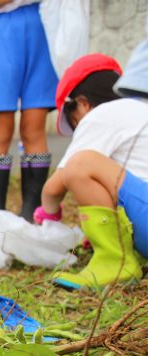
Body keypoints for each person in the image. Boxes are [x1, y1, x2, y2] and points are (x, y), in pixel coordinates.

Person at [34, 54, 148, 289]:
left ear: (83, 103)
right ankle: (122, 254)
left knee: (80, 164)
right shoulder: (139, 109)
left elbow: (54, 187)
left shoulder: (100, 115)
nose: (78, 129)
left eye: (74, 121)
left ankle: (116, 263)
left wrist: (48, 215)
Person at [0, 0, 58, 221]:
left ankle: (33, 215)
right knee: (1, 129)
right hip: (0, 33)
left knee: (34, 129)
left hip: (41, 28)